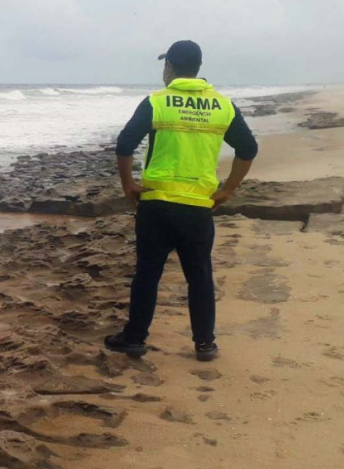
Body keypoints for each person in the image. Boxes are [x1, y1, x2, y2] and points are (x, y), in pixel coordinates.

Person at [105, 40, 258, 362]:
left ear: (170, 67)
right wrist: (228, 189)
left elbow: (124, 144)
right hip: (198, 207)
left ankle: (134, 338)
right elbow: (248, 149)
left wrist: (128, 184)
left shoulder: (157, 102)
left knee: (148, 272)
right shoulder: (223, 106)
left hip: (157, 203)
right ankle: (205, 344)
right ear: (198, 67)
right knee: (199, 275)